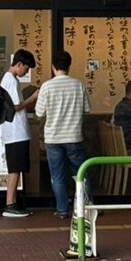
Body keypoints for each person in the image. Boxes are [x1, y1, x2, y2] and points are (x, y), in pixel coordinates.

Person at [35, 50, 91, 219]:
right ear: (69, 66)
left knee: (57, 175)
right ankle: (86, 207)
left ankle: (62, 210)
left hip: (53, 138)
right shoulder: (78, 85)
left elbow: (39, 112)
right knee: (80, 173)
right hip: (74, 136)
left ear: (53, 67)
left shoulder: (47, 86)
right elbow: (87, 109)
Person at [0, 49, 39, 218]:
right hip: (15, 132)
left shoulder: (9, 79)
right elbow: (15, 106)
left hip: (14, 132)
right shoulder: (11, 80)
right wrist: (32, 98)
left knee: (16, 168)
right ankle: (10, 204)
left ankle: (13, 202)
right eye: (26, 68)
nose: (26, 72)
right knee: (15, 169)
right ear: (19, 64)